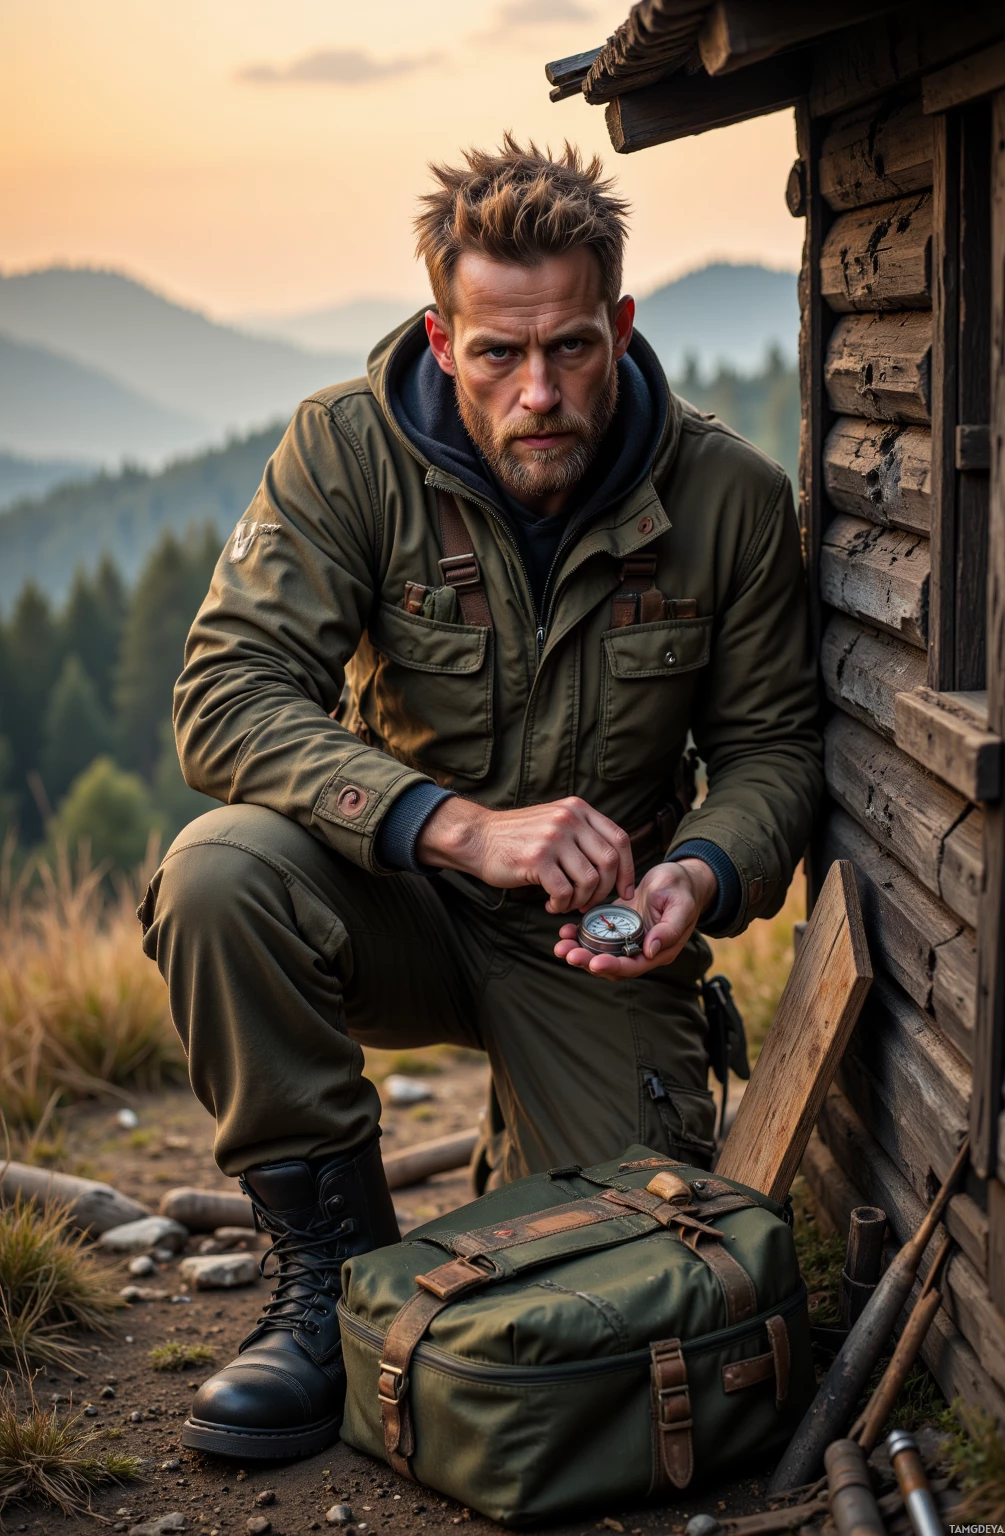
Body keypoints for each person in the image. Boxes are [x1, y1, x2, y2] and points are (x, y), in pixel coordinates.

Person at [139, 136, 822, 1460]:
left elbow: (775, 751)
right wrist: (454, 827)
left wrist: (699, 876)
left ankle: (517, 1176)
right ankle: (323, 1286)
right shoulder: (345, 452)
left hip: (597, 947)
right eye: (498, 354)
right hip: (387, 897)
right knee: (219, 874)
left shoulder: (728, 498)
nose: (539, 391)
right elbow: (226, 696)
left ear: (620, 327)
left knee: (629, 1298)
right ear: (446, 337)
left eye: (570, 348)